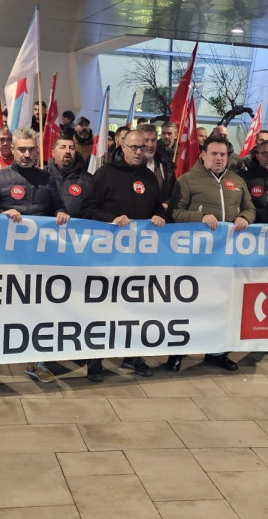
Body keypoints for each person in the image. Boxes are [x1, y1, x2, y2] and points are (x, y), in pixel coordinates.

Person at [0, 128, 70, 386]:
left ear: (38, 151)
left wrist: (61, 213)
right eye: (22, 150)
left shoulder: (47, 179)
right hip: (4, 259)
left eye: (31, 150)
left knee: (35, 311)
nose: (27, 154)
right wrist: (1, 214)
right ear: (12, 150)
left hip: (38, 260)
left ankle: (35, 362)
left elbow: (57, 207)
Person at [80, 129, 166, 382]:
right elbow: (86, 208)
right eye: (134, 147)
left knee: (134, 309)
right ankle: (95, 360)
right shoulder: (105, 173)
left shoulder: (149, 177)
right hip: (107, 257)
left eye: (143, 147)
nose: (139, 152)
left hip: (139, 259)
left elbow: (158, 209)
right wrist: (110, 219)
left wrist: (162, 217)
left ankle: (132, 354)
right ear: (121, 146)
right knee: (102, 309)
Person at [165, 134, 255, 373]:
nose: (218, 158)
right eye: (214, 153)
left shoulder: (237, 181)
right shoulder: (187, 180)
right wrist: (200, 217)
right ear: (203, 155)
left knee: (222, 306)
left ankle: (216, 352)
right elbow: (174, 213)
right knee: (189, 306)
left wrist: (245, 217)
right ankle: (177, 352)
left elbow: (250, 207)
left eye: (223, 154)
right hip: (195, 259)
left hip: (226, 260)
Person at [47, 134, 93, 218]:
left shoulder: (88, 180)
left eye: (71, 148)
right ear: (53, 153)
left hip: (76, 230)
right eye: (63, 147)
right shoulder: (42, 176)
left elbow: (92, 209)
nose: (68, 151)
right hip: (46, 229)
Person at [137, 124, 174, 205]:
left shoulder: (166, 166)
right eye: (146, 140)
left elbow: (172, 192)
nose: (150, 145)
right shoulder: (128, 167)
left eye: (153, 140)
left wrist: (168, 204)